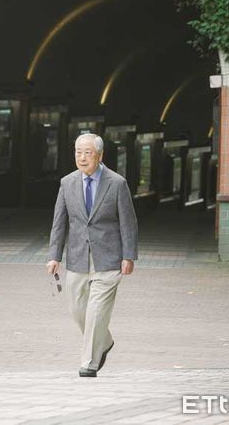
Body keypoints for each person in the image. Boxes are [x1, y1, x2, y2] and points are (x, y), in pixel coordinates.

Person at [47, 133, 138, 377]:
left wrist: (128, 256)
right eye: (78, 152)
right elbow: (59, 222)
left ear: (99, 155)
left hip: (108, 259)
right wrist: (54, 255)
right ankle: (105, 341)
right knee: (77, 310)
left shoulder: (116, 183)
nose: (82, 157)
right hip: (77, 258)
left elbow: (128, 223)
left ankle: (89, 362)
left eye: (88, 152)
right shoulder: (67, 183)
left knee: (96, 311)